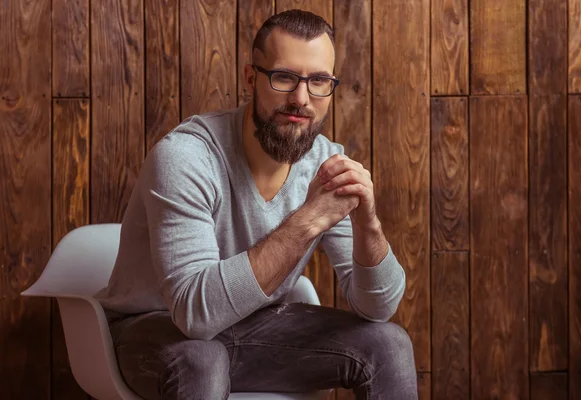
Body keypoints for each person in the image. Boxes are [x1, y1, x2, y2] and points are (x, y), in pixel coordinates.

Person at [95, 9, 418, 400]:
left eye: (318, 81)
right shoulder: (186, 157)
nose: (301, 100)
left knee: (389, 345)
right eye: (284, 77)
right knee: (203, 358)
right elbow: (196, 317)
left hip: (254, 331)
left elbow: (377, 308)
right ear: (252, 78)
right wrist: (309, 220)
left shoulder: (324, 164)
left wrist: (368, 223)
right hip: (151, 331)